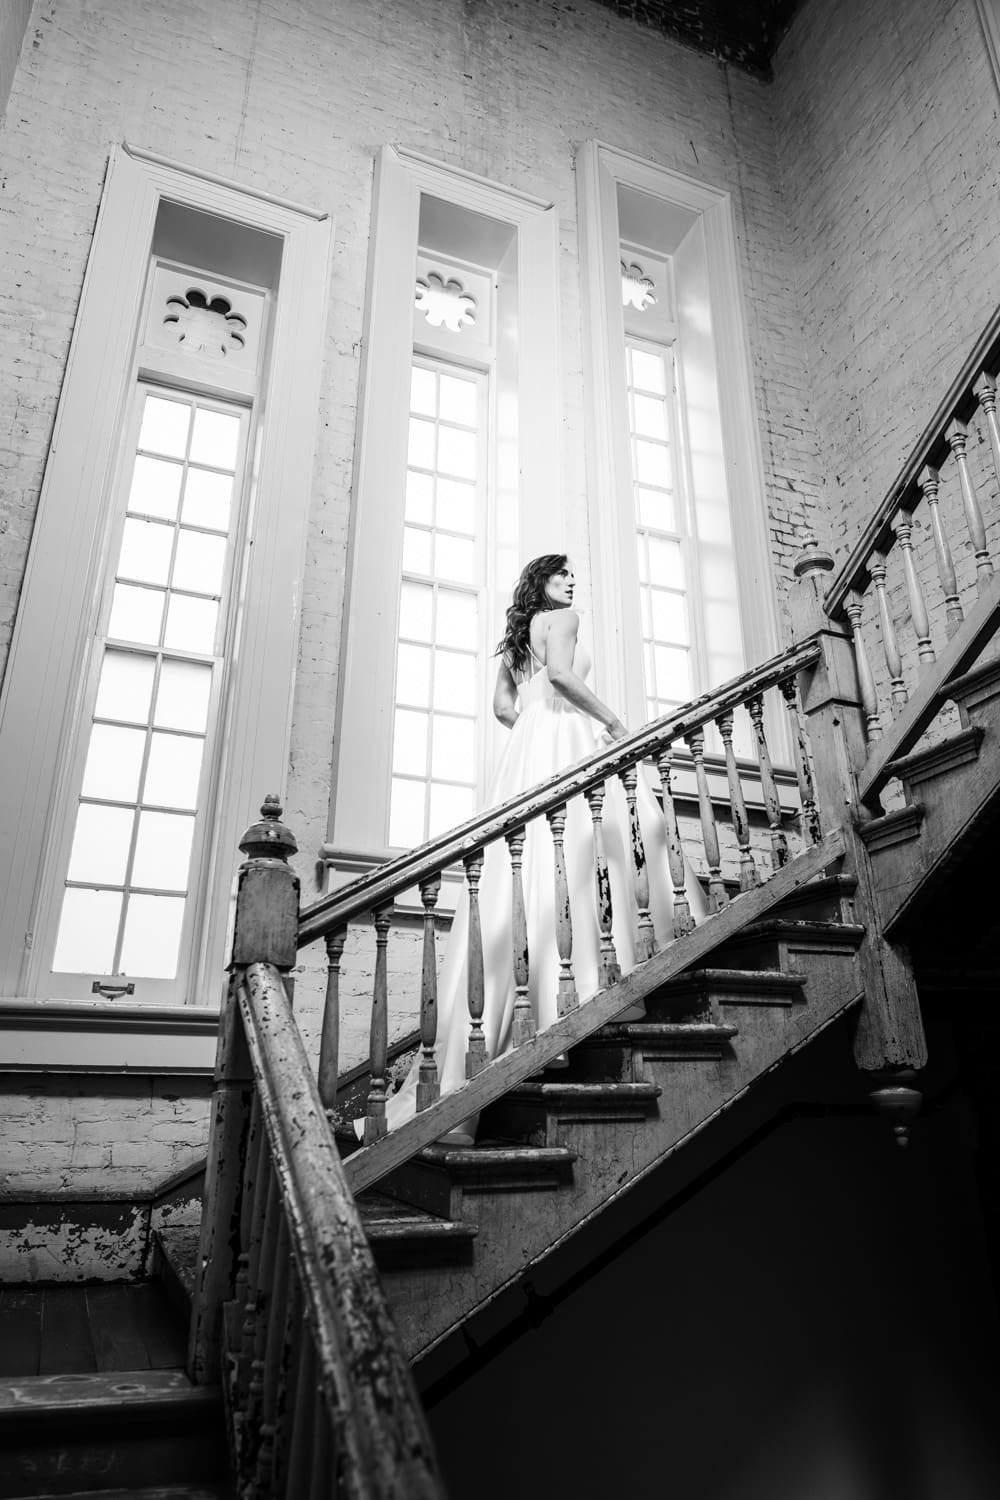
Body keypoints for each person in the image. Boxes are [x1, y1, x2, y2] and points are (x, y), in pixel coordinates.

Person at [367, 553, 706, 1146]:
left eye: (573, 576)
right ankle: (596, 983)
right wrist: (614, 721)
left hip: (528, 747)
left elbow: (505, 707)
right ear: (542, 583)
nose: (571, 582)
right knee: (598, 844)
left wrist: (533, 729)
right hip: (567, 732)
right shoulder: (565, 619)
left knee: (520, 869)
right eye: (560, 575)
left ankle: (517, 1015)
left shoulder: (517, 637)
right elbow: (563, 680)